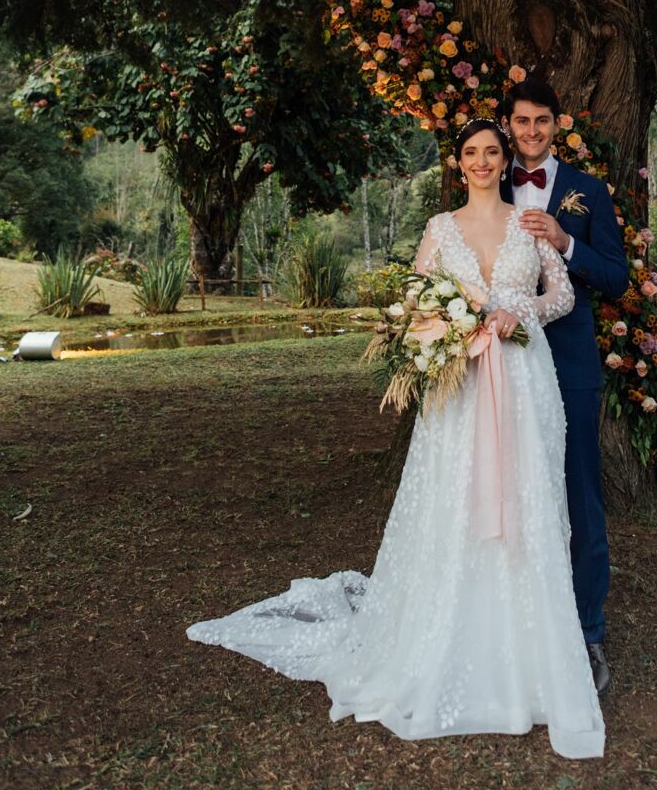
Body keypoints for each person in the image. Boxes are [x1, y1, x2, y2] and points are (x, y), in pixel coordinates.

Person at [187, 116, 605, 759]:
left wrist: (515, 315)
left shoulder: (530, 222)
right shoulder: (440, 230)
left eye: (494, 152)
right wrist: (455, 328)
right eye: (474, 153)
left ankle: (527, 651)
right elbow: (415, 301)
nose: (485, 161)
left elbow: (563, 299)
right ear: (458, 164)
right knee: (456, 499)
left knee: (528, 501)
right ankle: (447, 632)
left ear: (503, 160)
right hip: (461, 389)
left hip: (525, 382)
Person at [500, 78, 629, 696]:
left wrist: (565, 240)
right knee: (504, 489)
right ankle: (511, 623)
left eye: (541, 121)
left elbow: (617, 278)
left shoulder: (589, 191)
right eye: (521, 121)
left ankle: (588, 631)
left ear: (558, 124)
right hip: (499, 364)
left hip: (570, 362)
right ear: (508, 125)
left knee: (580, 490)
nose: (531, 131)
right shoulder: (488, 180)